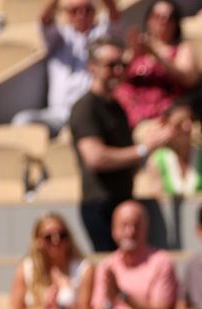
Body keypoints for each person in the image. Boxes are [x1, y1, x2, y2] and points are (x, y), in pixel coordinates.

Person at [71, 36, 173, 252]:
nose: (118, 71)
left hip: (122, 199)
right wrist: (144, 148)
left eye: (122, 65)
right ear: (93, 67)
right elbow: (96, 157)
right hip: (100, 204)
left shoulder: (116, 107)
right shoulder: (86, 108)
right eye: (111, 65)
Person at [80, 201, 178, 309]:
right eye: (124, 226)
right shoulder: (106, 266)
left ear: (146, 230)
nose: (130, 231)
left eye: (136, 226)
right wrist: (109, 301)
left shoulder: (160, 262)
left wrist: (123, 296)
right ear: (113, 231)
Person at [11, 0, 120, 135]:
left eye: (87, 9)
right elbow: (45, 18)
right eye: (74, 11)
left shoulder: (102, 36)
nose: (81, 15)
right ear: (65, 14)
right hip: (57, 115)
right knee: (22, 120)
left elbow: (114, 14)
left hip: (87, 113)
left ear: (94, 12)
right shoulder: (59, 38)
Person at [115, 0, 201, 127]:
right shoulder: (137, 48)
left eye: (169, 18)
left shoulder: (182, 48)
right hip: (132, 115)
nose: (163, 22)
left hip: (166, 114)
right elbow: (118, 78)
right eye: (157, 17)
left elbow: (188, 78)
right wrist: (133, 54)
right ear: (149, 19)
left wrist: (156, 54)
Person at [144, 99, 202, 197]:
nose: (187, 128)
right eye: (179, 124)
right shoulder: (156, 161)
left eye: (190, 121)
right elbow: (158, 197)